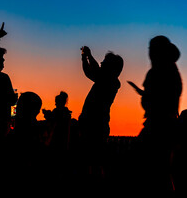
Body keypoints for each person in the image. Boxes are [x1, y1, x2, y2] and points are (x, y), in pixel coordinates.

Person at [128, 36, 182, 194]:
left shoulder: (157, 72)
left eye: (152, 49)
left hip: (157, 127)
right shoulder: (172, 71)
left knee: (148, 170)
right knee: (162, 172)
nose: (150, 53)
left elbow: (152, 101)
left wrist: (144, 95)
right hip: (167, 127)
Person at [78, 46, 123, 179]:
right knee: (94, 161)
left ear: (111, 68)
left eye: (104, 62)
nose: (101, 63)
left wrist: (87, 57)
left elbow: (91, 71)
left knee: (92, 161)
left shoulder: (108, 81)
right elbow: (92, 71)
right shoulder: (109, 80)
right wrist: (86, 57)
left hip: (94, 125)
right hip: (97, 124)